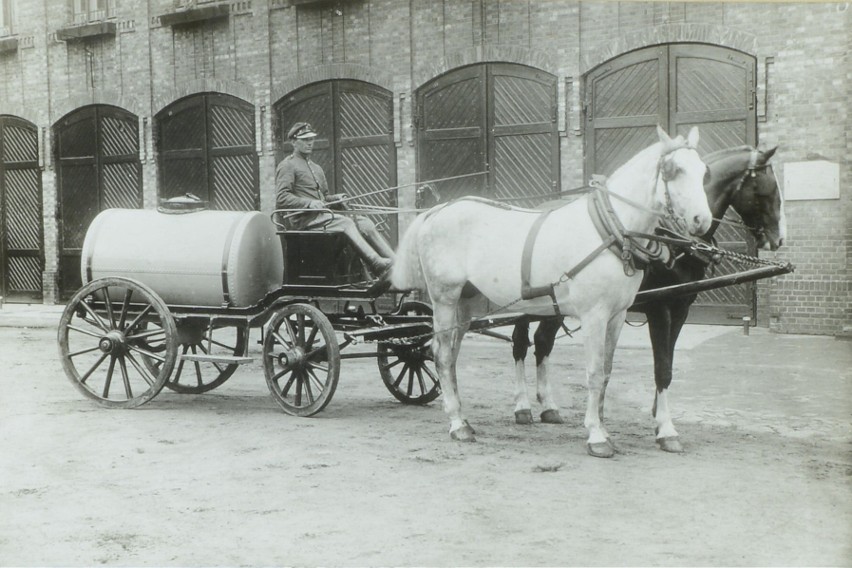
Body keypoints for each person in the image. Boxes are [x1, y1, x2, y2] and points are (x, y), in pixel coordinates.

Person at [275, 122, 395, 278]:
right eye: (305, 140)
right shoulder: (287, 166)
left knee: (366, 223)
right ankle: (375, 262)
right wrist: (309, 203)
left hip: (323, 216)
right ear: (293, 142)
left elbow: (324, 198)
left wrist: (337, 199)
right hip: (305, 220)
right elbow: (281, 197)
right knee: (346, 223)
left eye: (311, 139)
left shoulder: (316, 168)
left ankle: (395, 261)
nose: (310, 143)